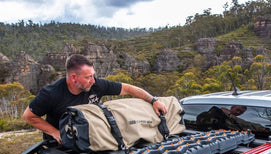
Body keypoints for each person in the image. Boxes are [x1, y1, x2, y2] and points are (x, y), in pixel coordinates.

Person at [23, 54, 167, 144]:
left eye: (93, 75)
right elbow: (29, 116)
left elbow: (129, 89)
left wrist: (153, 100)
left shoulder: (96, 85)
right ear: (74, 78)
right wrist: (55, 133)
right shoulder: (51, 93)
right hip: (61, 146)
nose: (93, 80)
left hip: (91, 140)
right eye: (88, 77)